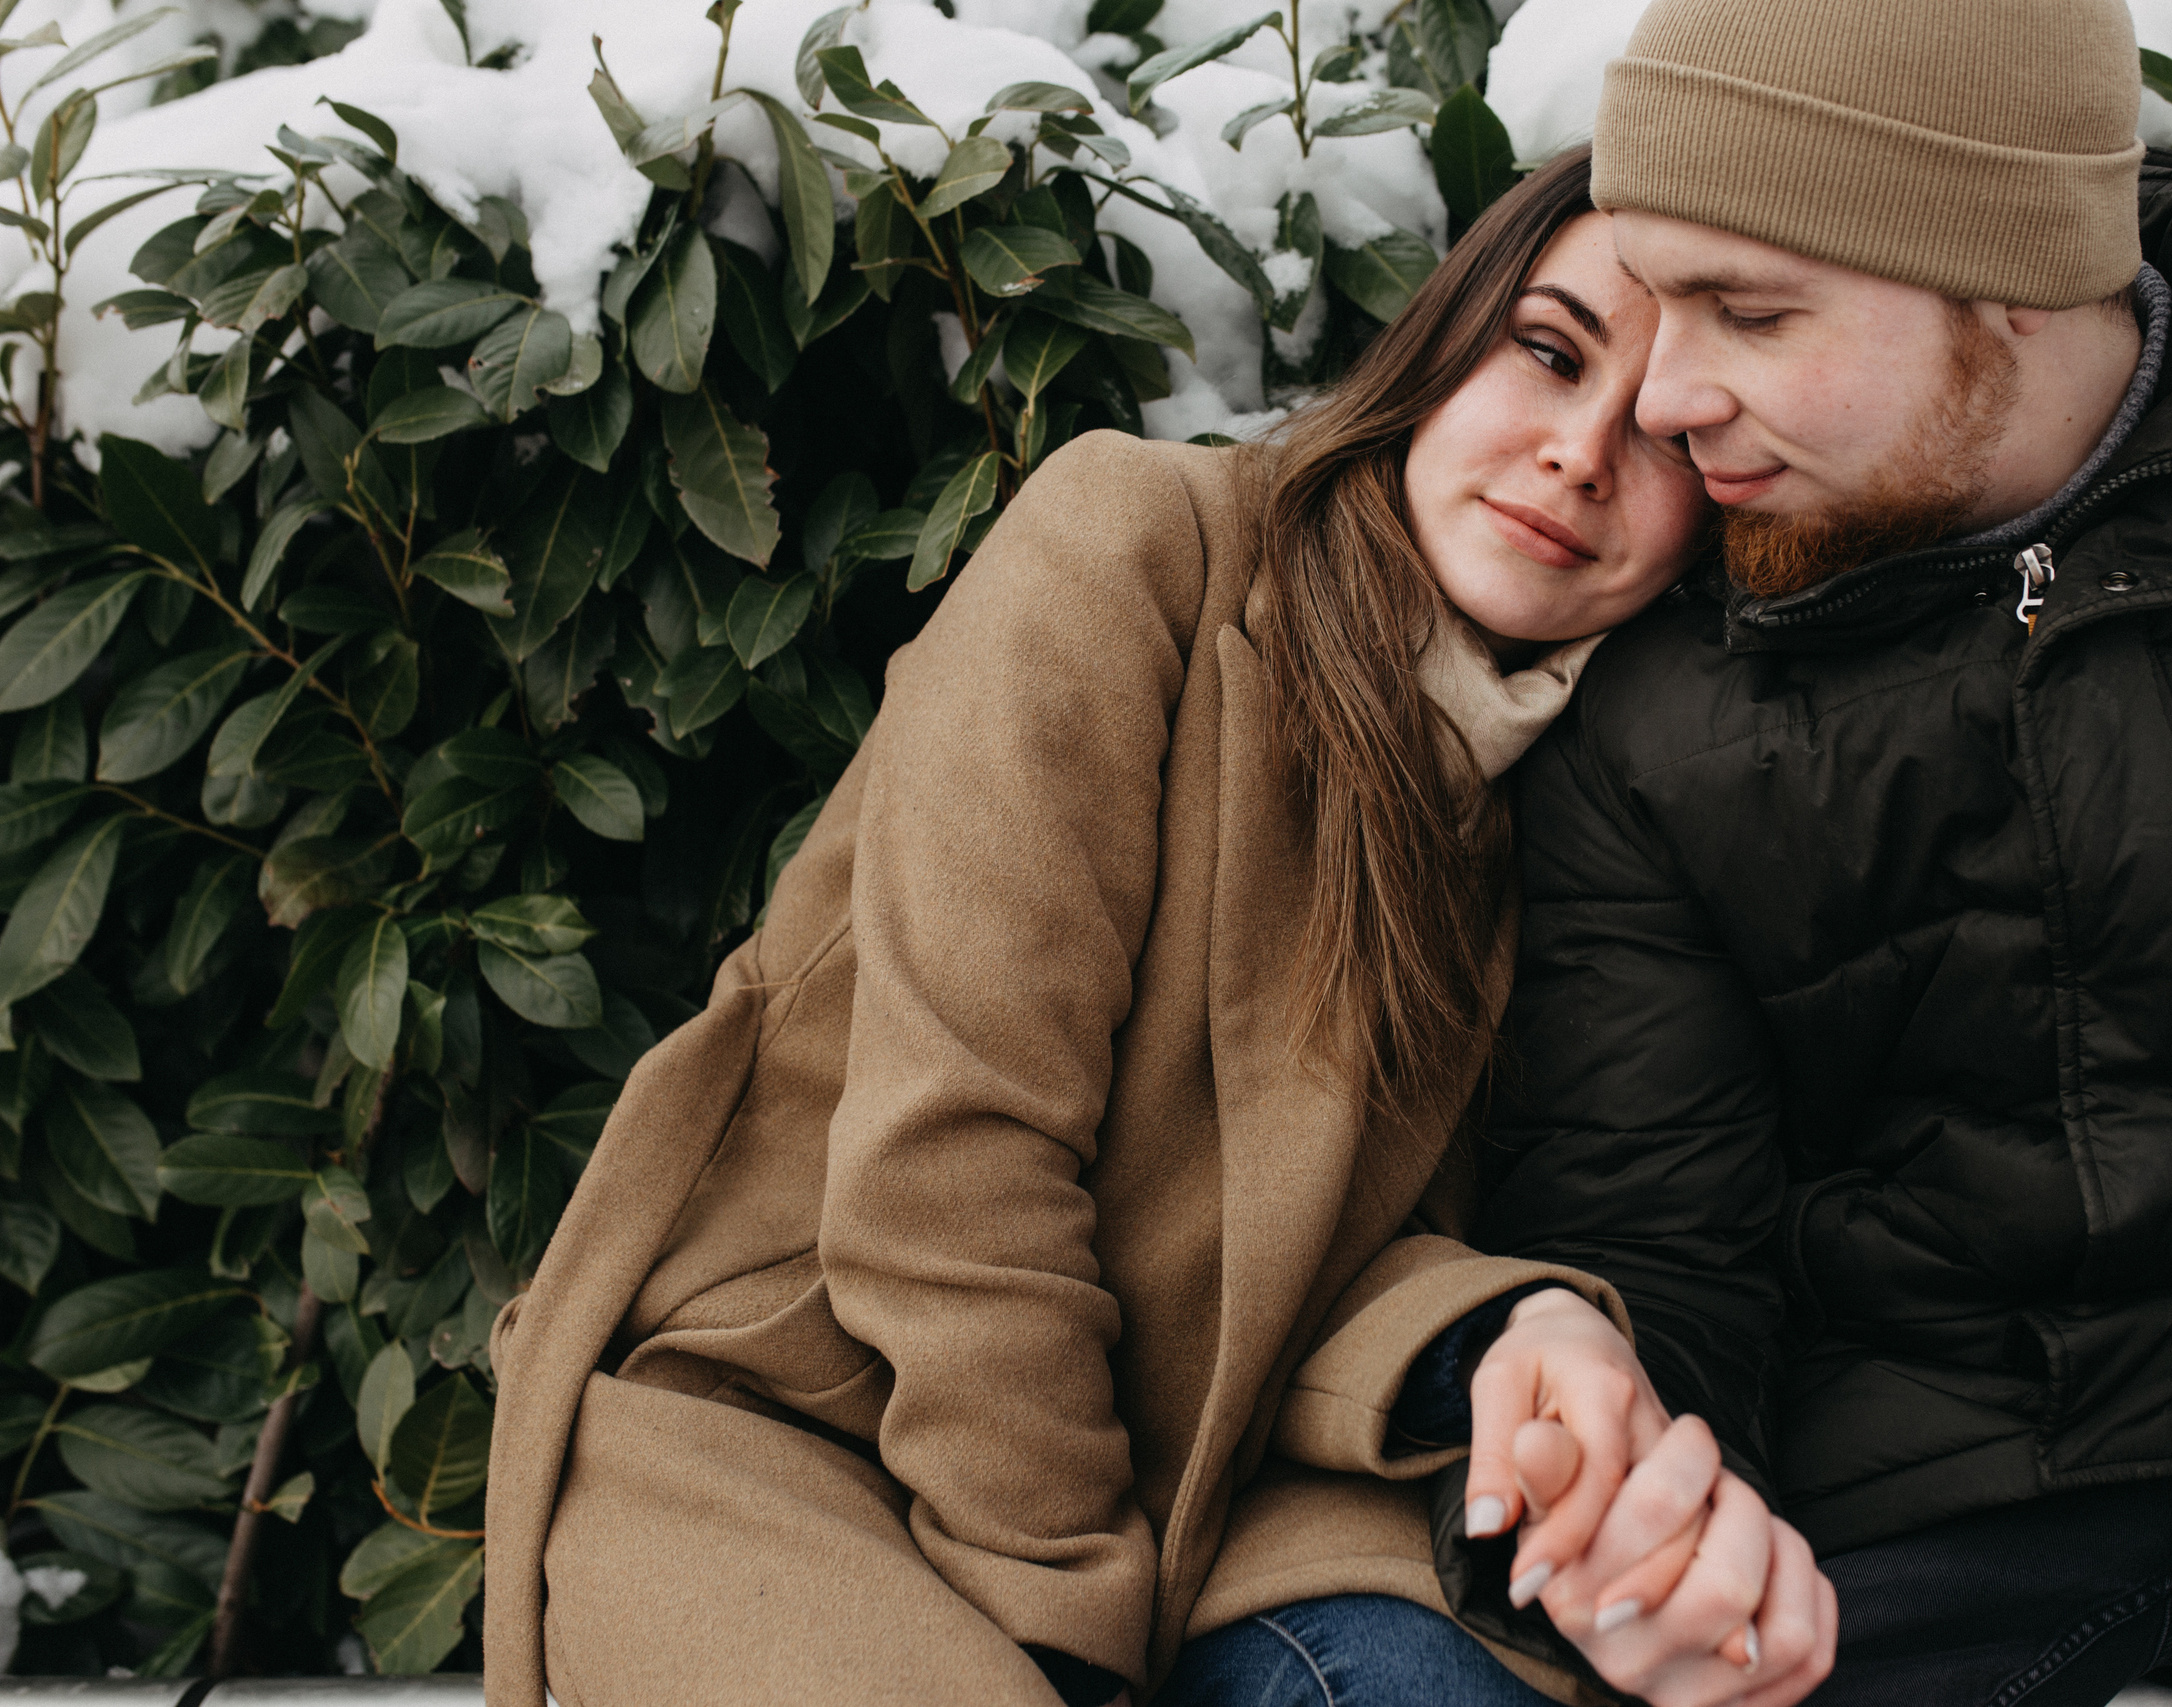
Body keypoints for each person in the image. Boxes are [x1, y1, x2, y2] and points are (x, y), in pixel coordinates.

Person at [480, 148, 1719, 1707]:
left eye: (1665, 433)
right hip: (802, 1425)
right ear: (1445, 339)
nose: (1582, 455)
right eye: (1548, 353)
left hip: (1192, 1484)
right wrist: (1071, 1626)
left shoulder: (1561, 794)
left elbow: (1279, 1253)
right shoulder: (1135, 543)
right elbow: (950, 1164)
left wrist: (1502, 1326)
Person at [1459, 0, 2172, 1703]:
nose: (1666, 398)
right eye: (1659, 300)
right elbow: (1659, 1251)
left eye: (1749, 311)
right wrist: (1667, 1520)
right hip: (1923, 1526)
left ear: (2023, 272)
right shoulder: (1661, 705)